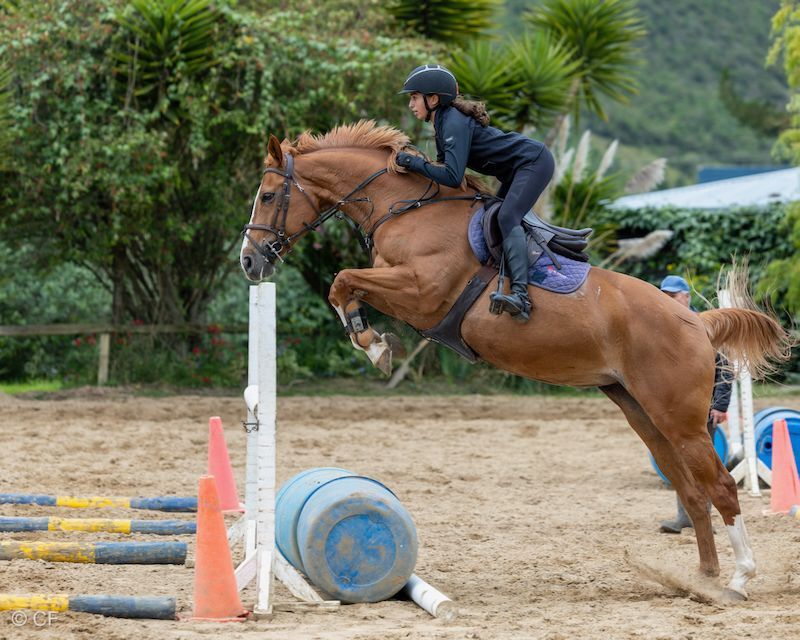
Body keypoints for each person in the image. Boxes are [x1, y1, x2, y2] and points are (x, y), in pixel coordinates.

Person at [395, 64, 555, 323]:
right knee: (492, 216)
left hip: (533, 162)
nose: (411, 104)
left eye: (414, 97)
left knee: (506, 218)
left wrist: (412, 163)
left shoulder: (453, 122)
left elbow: (452, 176)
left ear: (433, 99)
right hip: (517, 169)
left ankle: (521, 296)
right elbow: (441, 172)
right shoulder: (442, 123)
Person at [657, 275, 733, 533]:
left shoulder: (705, 325)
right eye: (664, 295)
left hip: (705, 406)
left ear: (686, 296)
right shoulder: (662, 327)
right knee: (680, 460)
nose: (667, 299)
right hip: (675, 408)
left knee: (703, 462)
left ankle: (705, 518)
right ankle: (685, 516)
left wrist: (721, 405)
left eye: (672, 295)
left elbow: (725, 366)